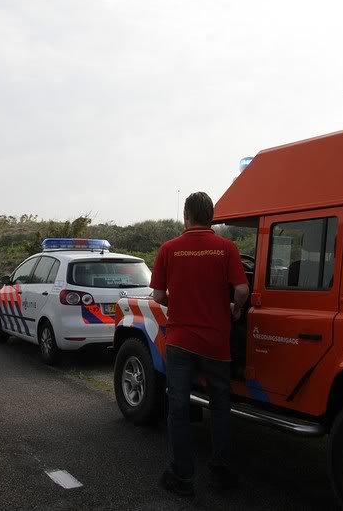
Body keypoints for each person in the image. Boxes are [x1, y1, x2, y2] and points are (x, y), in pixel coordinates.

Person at [151, 191, 250, 497]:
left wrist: (175, 300)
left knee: (178, 408)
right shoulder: (226, 248)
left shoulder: (169, 249)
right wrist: (234, 310)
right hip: (216, 343)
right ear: (211, 217)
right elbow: (243, 290)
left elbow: (157, 297)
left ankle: (182, 477)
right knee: (221, 407)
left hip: (180, 342)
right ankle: (221, 471)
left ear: (187, 216)